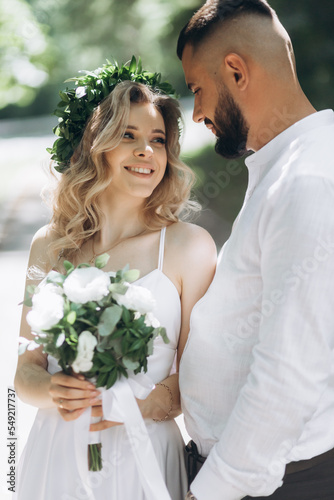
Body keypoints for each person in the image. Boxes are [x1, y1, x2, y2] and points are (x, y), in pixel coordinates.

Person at [14, 64, 217, 500]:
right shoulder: (47, 247)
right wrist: (53, 387)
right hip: (55, 456)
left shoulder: (189, 248)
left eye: (158, 140)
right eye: (128, 135)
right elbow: (24, 371)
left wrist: (138, 407)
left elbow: (203, 379)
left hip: (143, 454)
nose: (147, 150)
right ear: (94, 145)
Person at [177, 1, 334, 499]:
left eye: (197, 89)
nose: (198, 112)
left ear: (236, 70)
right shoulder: (286, 168)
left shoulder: (308, 179)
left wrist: (211, 491)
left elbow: (288, 373)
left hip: (276, 483)